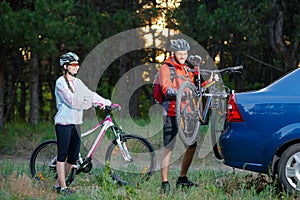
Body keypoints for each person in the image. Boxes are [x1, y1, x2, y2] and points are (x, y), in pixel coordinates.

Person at [159, 39, 213, 194]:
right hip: (171, 112)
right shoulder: (166, 68)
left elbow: (194, 89)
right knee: (168, 147)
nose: (183, 56)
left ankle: (182, 178)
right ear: (173, 53)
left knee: (192, 145)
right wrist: (183, 93)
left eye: (184, 54)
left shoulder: (186, 68)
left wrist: (208, 82)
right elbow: (165, 91)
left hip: (188, 113)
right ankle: (165, 183)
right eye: (180, 54)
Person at [53, 52, 111, 195]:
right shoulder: (60, 82)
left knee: (72, 158)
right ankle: (64, 188)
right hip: (64, 123)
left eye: (78, 64)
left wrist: (106, 102)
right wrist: (90, 104)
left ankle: (57, 186)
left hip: (76, 123)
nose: (77, 67)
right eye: (73, 65)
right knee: (62, 156)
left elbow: (90, 94)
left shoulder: (77, 82)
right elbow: (72, 101)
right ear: (65, 66)